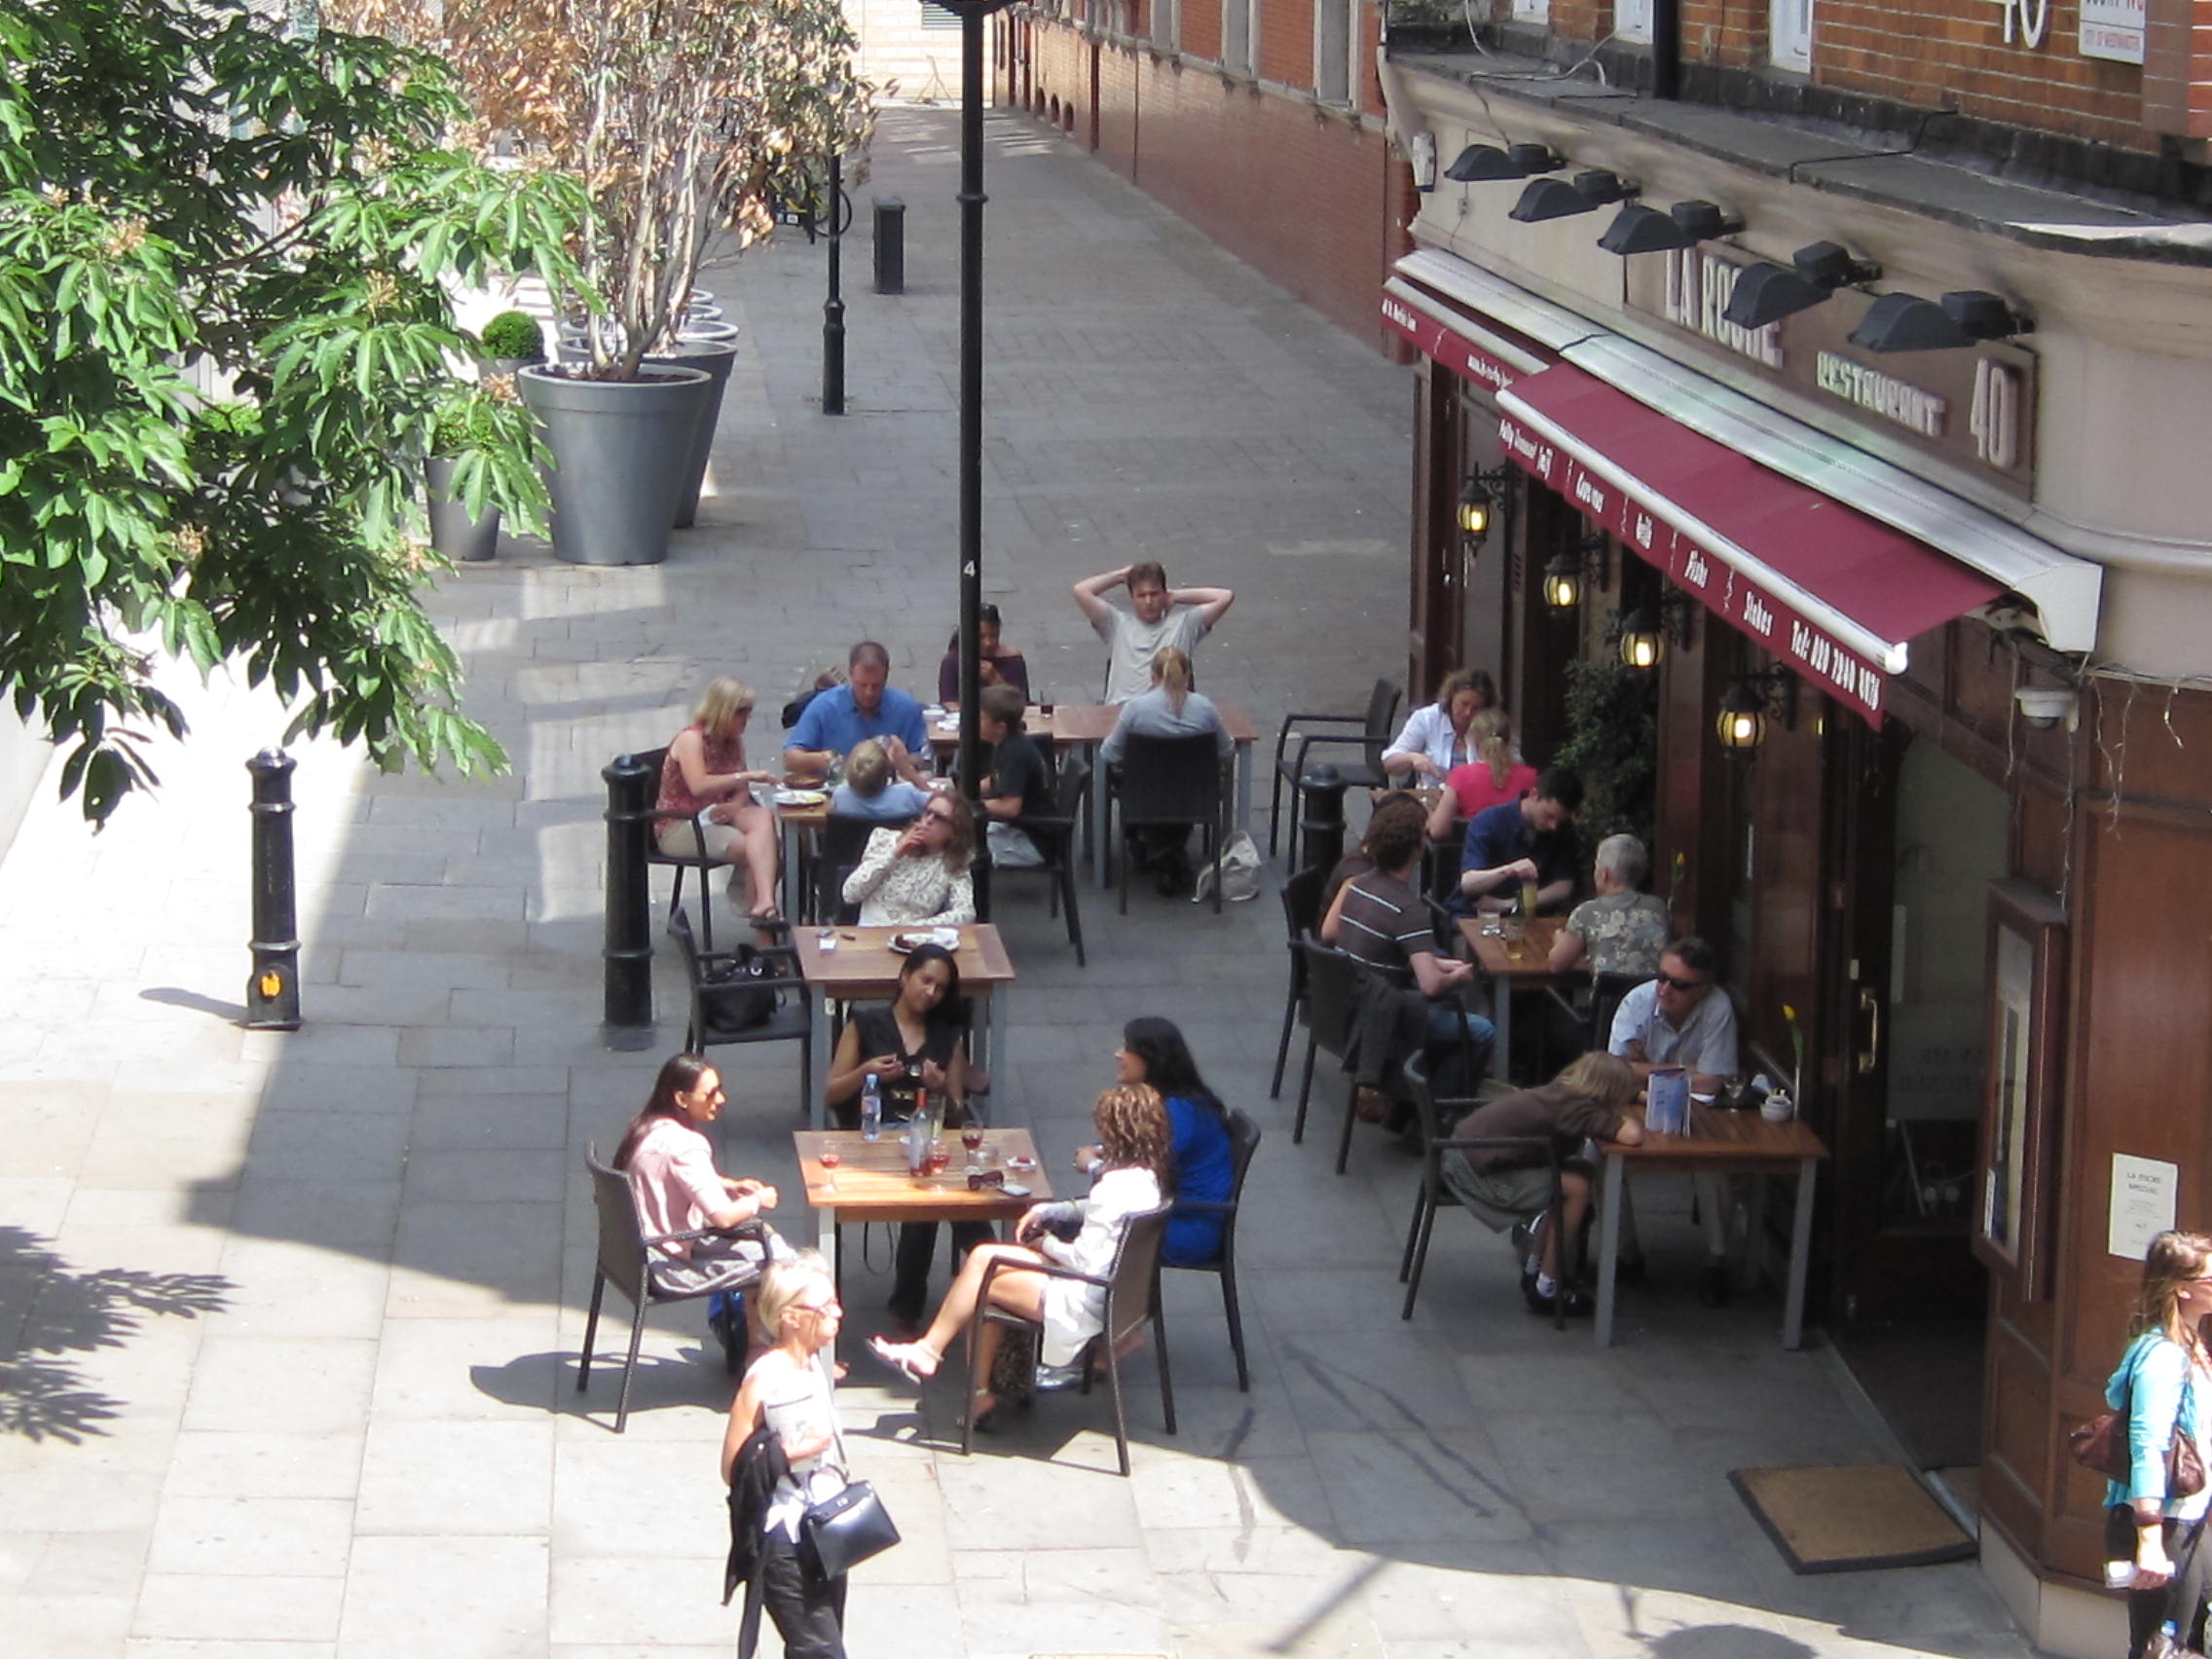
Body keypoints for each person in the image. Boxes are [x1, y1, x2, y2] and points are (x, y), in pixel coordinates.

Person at [865, 1084, 1171, 1430]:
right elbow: (1100, 1213)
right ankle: (947, 1367)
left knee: (981, 1279)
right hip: (1113, 1295)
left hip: (1082, 1296)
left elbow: (1082, 1260)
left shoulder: (1111, 1188)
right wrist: (1050, 1210)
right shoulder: (1146, 1180)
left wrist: (1044, 1243)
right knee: (982, 1259)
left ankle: (942, 1364)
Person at [824, 943, 989, 1329]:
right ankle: (988, 1274)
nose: (930, 992)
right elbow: (831, 1093)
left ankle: (991, 1269)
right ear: (904, 977)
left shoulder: (946, 1036)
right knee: (930, 1195)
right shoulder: (865, 1024)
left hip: (927, 1140)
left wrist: (941, 1085)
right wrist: (866, 1071)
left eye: (940, 988)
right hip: (872, 1140)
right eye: (925, 981)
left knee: (938, 1193)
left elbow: (957, 1109)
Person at [1438, 1051, 1643, 1317]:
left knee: (1579, 1172)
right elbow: (1632, 1136)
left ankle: (1535, 1269)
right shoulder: (1579, 1109)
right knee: (1577, 1189)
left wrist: (1634, 1095)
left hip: (1464, 1152)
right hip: (1475, 1172)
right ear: (1609, 1092)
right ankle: (1546, 1288)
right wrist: (1626, 1112)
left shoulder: (1564, 1091)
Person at [720, 1254, 850, 1659]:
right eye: (825, 1307)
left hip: (826, 1530)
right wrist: (789, 1453)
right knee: (823, 1651)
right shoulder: (764, 1380)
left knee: (817, 1645)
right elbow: (732, 1467)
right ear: (792, 1317)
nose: (837, 1313)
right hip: (785, 1541)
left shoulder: (812, 1363)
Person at [1321, 804, 1495, 1099]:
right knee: (1482, 1031)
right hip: (1390, 1017)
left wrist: (1439, 963)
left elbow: (1380, 946)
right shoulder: (1408, 909)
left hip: (1353, 1006)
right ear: (1417, 849)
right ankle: (1434, 1108)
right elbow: (1430, 985)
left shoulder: (1358, 886)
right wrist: (1459, 976)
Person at [1607, 937, 1741, 1305]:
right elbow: (1615, 1073)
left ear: (1702, 989)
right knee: (1598, 1155)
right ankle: (1626, 1254)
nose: (1664, 989)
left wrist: (1643, 1068)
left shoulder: (1718, 1007)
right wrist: (1685, 1070)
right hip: (1635, 1104)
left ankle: (1716, 1260)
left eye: (1678, 984)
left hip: (1700, 1110)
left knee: (1716, 1160)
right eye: (1661, 977)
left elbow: (1714, 1081)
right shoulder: (1638, 1000)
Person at [2103, 1230, 2212, 1659]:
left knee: (2189, 1640)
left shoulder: (2193, 1344)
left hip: (2192, 1516)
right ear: (2182, 1289)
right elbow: (2147, 1445)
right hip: (2165, 1523)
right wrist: (2148, 1537)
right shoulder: (2163, 1357)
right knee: (2162, 1648)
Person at [613, 1054, 784, 1297]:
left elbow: (672, 1176)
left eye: (720, 1090)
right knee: (784, 1261)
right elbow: (723, 1217)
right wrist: (759, 1200)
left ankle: (750, 1322)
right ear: (682, 1099)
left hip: (636, 1257)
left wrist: (729, 1184)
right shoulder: (686, 1145)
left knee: (759, 1246)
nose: (721, 1099)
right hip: (668, 1266)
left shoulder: (646, 1126)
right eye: (710, 1094)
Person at [1098, 1018, 1234, 1269]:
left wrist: (1094, 1164)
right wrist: (1101, 1150)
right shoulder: (1172, 1105)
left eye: (1128, 1048)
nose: (1118, 1054)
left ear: (1150, 1059)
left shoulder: (1179, 1113)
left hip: (1186, 1230)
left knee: (1079, 1232)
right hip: (1172, 1215)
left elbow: (1138, 1173)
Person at [1099, 645, 1233, 894]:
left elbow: (1109, 754)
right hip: (1194, 796)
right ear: (1188, 675)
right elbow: (1227, 751)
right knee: (1177, 785)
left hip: (1143, 795)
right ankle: (1169, 851)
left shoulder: (1136, 709)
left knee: (1127, 780)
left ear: (1152, 675)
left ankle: (1157, 849)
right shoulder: (1205, 709)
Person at [656, 678, 783, 926]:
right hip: (682, 824)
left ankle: (764, 902)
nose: (746, 719)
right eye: (741, 712)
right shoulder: (691, 739)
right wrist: (745, 776)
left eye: (749, 711)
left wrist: (735, 805)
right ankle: (764, 927)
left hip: (716, 815)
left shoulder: (733, 741)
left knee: (763, 819)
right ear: (722, 711)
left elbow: (741, 790)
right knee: (758, 849)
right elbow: (699, 785)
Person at [1073, 560, 1235, 705]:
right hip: (1123, 709)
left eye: (1154, 594)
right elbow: (1081, 590)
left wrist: (1176, 596)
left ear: (1164, 594)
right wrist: (1121, 576)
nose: (1149, 602)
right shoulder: (1116, 623)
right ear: (1132, 598)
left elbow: (1225, 597)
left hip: (1168, 711)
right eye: (1141, 596)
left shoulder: (1185, 625)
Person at [784, 641, 931, 784]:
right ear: (851, 674)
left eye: (876, 686)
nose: (869, 693)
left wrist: (900, 761)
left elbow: (925, 760)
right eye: (862, 685)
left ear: (886, 677)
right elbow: (790, 760)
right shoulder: (825, 706)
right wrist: (820, 759)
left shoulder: (906, 708)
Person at [1457, 766, 1583, 916]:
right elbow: (1468, 883)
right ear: (1534, 794)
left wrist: (1512, 904)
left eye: (1560, 821)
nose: (1553, 826)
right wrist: (1508, 870)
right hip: (1477, 915)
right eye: (1549, 816)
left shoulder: (1563, 830)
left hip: (1530, 917)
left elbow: (1563, 885)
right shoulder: (1489, 821)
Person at [841, 792, 977, 927]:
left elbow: (966, 913)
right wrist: (894, 854)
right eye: (928, 812)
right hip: (870, 930)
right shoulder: (885, 839)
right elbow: (850, 894)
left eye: (939, 818)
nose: (928, 820)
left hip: (915, 935)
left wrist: (918, 927)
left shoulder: (954, 861)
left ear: (954, 832)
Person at [1550, 833, 1672, 978]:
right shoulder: (1658, 908)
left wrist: (1559, 941)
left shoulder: (1586, 912)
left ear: (1604, 874)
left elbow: (1557, 965)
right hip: (1651, 993)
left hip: (1608, 994)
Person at [1425, 709, 1538, 843]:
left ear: (1474, 740)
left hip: (1471, 851)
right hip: (1516, 852)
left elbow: (1438, 831)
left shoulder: (1461, 775)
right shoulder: (1530, 776)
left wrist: (1431, 814)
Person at [974, 682, 1053, 868]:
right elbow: (995, 780)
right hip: (1019, 829)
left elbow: (1010, 808)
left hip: (1031, 842)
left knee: (963, 848)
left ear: (999, 727)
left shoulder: (1014, 754)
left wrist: (973, 804)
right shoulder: (1008, 742)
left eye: (981, 718)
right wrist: (964, 790)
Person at [1324, 792, 1430, 913]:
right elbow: (1335, 926)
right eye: (1422, 834)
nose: (1424, 841)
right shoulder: (1358, 876)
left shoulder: (1371, 861)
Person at [1382, 668, 1497, 780]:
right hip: (1434, 790)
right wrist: (1411, 758)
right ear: (1451, 698)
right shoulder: (1427, 718)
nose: (1468, 712)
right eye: (1464, 704)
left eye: (1476, 708)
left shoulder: (1492, 725)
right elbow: (1389, 763)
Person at [937, 603, 1030, 704]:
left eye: (994, 636)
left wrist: (995, 679)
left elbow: (1022, 703)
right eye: (981, 637)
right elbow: (949, 703)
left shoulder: (1012, 659)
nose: (988, 643)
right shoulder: (953, 661)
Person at [829, 738, 932, 825]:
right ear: (887, 770)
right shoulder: (907, 793)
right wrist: (906, 769)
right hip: (897, 843)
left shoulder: (841, 795)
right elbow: (937, 800)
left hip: (854, 844)